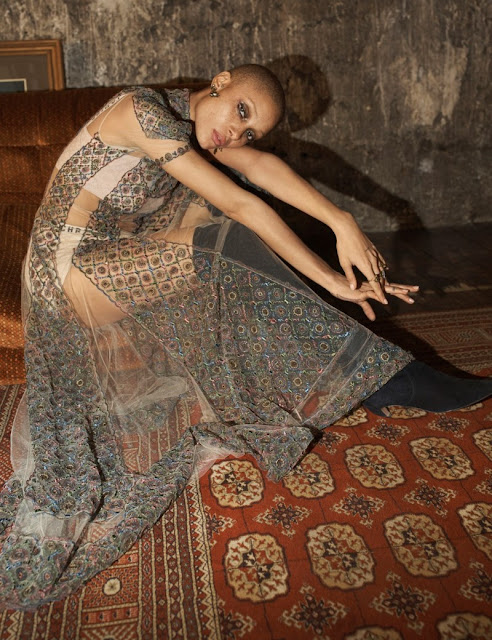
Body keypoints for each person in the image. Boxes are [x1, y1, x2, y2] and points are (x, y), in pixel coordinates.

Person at [1, 64, 490, 609]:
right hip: (64, 272)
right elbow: (242, 206)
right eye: (240, 111)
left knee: (224, 215)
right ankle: (382, 378)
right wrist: (332, 278)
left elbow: (260, 166)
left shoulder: (195, 125)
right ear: (222, 80)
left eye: (249, 130)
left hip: (113, 256)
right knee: (226, 234)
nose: (236, 133)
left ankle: (352, 370)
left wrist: (342, 220)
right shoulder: (141, 111)